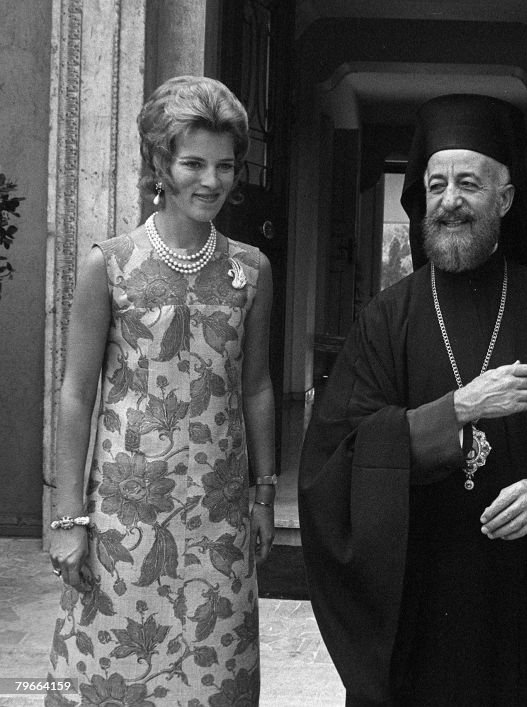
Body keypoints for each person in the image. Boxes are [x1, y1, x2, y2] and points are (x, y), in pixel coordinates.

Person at [299, 93, 527, 707]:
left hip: (526, 603)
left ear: (503, 199)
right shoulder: (387, 318)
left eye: (469, 183)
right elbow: (334, 459)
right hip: (418, 596)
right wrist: (455, 411)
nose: (450, 201)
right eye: (437, 184)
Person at [47, 75, 276, 705]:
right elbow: (75, 394)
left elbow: (256, 389)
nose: (212, 181)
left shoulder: (251, 270)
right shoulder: (109, 264)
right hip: (125, 520)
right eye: (193, 163)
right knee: (113, 676)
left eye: (225, 166)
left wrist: (264, 495)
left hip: (217, 520)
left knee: (215, 678)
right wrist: (69, 519)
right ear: (159, 163)